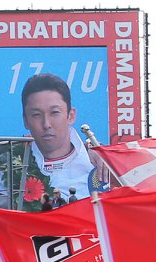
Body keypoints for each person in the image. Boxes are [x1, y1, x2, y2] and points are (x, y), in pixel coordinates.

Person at [21, 72, 107, 203]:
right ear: (25, 121)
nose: (46, 124)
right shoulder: (8, 166)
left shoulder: (101, 163)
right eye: (36, 114)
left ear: (71, 116)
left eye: (54, 113)